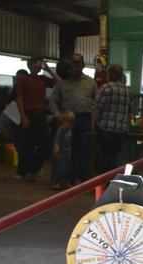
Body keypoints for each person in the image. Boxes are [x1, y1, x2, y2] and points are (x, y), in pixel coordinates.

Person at [49, 53, 97, 183]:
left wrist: (93, 123)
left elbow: (96, 103)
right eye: (73, 63)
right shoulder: (62, 82)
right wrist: (58, 116)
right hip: (67, 119)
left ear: (83, 65)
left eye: (78, 63)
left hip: (84, 119)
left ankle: (76, 177)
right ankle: (62, 178)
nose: (75, 66)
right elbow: (52, 101)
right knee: (64, 149)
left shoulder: (91, 82)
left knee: (80, 148)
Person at [15, 58, 59, 182]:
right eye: (36, 64)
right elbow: (19, 98)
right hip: (29, 113)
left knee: (45, 143)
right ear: (29, 65)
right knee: (27, 144)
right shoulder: (24, 80)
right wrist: (23, 116)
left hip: (41, 113)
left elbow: (58, 81)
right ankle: (27, 171)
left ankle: (33, 169)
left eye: (39, 65)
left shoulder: (42, 79)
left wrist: (48, 69)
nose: (38, 67)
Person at [93, 63, 131, 173]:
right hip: (121, 130)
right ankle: (111, 180)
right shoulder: (127, 90)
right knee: (113, 156)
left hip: (106, 128)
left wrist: (93, 125)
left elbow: (97, 108)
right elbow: (129, 111)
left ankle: (105, 183)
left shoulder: (105, 88)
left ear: (109, 74)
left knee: (105, 157)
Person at [51, 111, 75, 190]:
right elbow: (57, 140)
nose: (70, 126)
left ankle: (65, 181)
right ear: (63, 123)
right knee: (62, 168)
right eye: (68, 124)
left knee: (68, 168)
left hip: (67, 153)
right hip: (61, 154)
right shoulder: (61, 130)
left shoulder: (69, 130)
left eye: (72, 123)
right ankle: (56, 181)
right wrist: (57, 148)